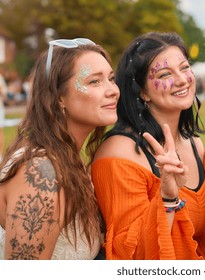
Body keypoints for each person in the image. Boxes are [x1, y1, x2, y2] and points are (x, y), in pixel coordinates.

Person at [91, 32, 205, 260]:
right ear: (141, 91)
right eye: (164, 74)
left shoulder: (194, 144)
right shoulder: (119, 154)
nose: (181, 79)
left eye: (184, 67)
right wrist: (168, 198)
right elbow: (129, 256)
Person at [0, 38, 120, 259]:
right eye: (95, 82)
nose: (113, 90)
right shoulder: (40, 173)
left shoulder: (69, 161)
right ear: (59, 97)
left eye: (111, 79)